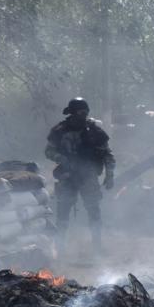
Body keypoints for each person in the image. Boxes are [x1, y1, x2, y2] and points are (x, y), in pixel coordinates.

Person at [45, 98, 115, 252]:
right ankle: (60, 248)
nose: (83, 115)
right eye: (80, 112)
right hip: (67, 175)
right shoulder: (60, 131)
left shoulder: (94, 132)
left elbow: (107, 155)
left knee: (94, 211)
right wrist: (61, 158)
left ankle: (97, 246)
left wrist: (110, 175)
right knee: (63, 212)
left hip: (88, 176)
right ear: (72, 113)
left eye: (85, 112)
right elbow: (48, 151)